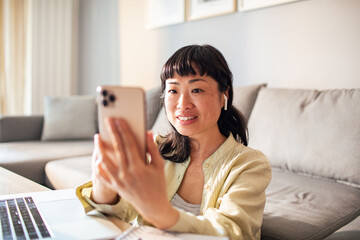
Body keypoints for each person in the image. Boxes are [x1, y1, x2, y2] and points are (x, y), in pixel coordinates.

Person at [76, 44, 271, 240]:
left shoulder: (249, 164)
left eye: (196, 90)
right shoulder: (155, 148)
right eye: (173, 91)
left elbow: (233, 232)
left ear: (224, 95)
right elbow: (121, 211)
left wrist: (159, 211)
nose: (183, 104)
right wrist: (104, 185)